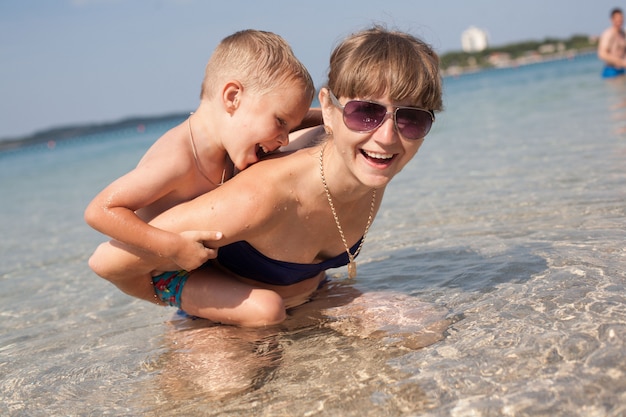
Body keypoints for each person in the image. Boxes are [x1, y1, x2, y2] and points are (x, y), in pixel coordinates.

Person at [88, 26, 443, 327]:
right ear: (232, 97)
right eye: (365, 113)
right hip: (191, 290)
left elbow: (301, 118)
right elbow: (104, 241)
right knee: (241, 358)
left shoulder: (363, 160)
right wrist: (171, 258)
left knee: (425, 326)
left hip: (307, 298)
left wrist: (343, 116)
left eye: (412, 118)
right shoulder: (190, 166)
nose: (386, 136)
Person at [84, 29, 316, 303]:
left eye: (289, 126)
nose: (284, 138)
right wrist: (173, 247)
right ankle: (185, 315)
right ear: (232, 98)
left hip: (206, 263)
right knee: (265, 310)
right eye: (280, 122)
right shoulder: (177, 159)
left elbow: (290, 117)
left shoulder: (232, 140)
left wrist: (333, 119)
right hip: (167, 271)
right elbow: (99, 211)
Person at [598, 8, 626, 78]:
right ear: (612, 19)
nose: (619, 20)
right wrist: (620, 62)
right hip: (611, 70)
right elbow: (602, 54)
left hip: (622, 69)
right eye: (617, 18)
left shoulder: (623, 34)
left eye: (621, 18)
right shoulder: (608, 34)